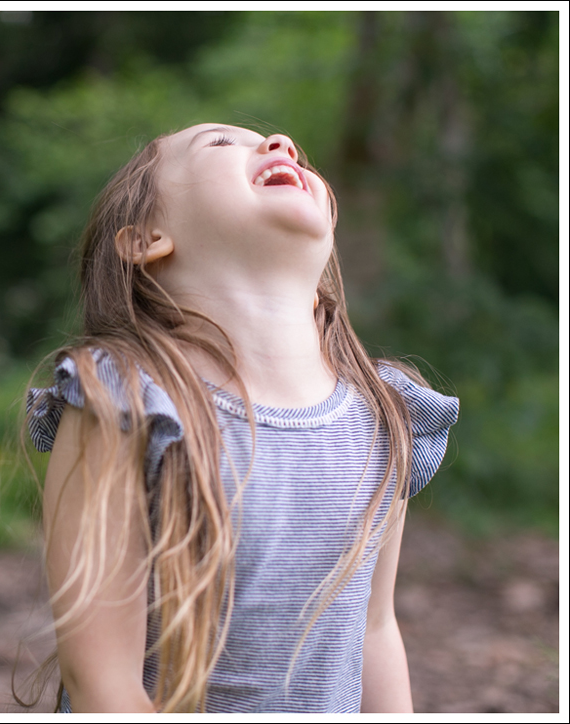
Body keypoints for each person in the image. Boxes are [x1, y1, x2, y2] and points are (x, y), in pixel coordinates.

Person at [24, 123, 460, 713]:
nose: (281, 142)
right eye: (222, 143)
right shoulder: (124, 399)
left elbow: (375, 631)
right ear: (147, 239)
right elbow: (100, 679)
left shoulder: (384, 414)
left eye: (289, 147)